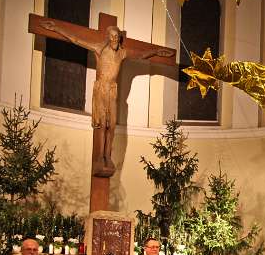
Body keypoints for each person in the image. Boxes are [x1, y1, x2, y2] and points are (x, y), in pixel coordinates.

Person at [40, 20, 174, 177]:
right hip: (101, 89)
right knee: (103, 125)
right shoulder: (99, 49)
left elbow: (141, 55)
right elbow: (76, 40)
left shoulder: (122, 53)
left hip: (112, 91)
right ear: (108, 38)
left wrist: (157, 51)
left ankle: (108, 156)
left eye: (117, 36)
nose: (115, 39)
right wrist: (57, 28)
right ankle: (100, 157)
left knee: (112, 125)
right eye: (112, 36)